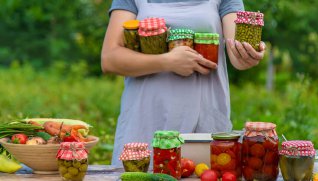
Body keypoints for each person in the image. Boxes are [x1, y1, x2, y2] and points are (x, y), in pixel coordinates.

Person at [101, 0, 266, 166]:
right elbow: (109, 59)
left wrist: (248, 53)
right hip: (144, 125)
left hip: (203, 130)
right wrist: (167, 62)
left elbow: (237, 56)